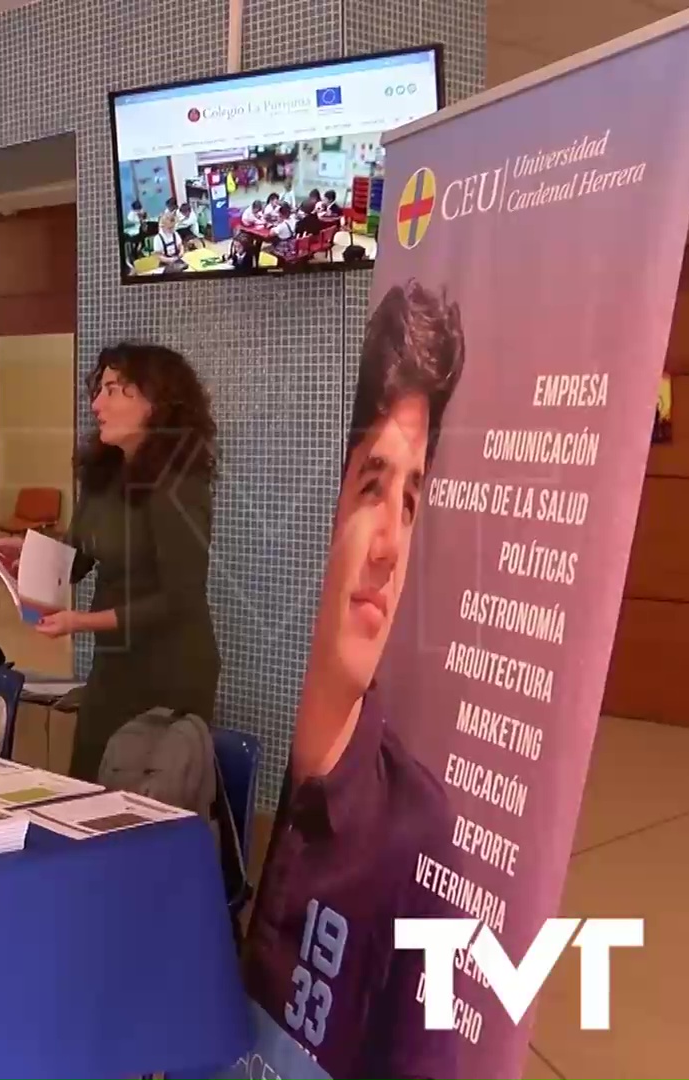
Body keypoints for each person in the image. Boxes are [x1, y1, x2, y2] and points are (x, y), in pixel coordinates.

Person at [243, 280, 466, 1080]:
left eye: (410, 501)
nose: (389, 546)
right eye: (371, 486)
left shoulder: (423, 836)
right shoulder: (272, 781)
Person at [0, 343, 219, 779]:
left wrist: (81, 622)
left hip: (170, 671)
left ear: (156, 402)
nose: (97, 403)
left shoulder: (179, 484)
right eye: (99, 389)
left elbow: (180, 600)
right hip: (114, 665)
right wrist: (28, 551)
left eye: (114, 390)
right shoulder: (103, 475)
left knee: (141, 801)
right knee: (88, 781)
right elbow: (76, 562)